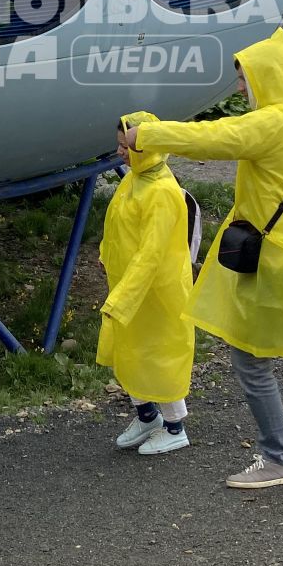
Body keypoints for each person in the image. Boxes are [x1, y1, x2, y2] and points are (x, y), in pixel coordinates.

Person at [119, 27, 283, 488]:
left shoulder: (271, 124)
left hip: (277, 258)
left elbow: (212, 138)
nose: (242, 88)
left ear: (267, 76)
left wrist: (144, 134)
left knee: (250, 358)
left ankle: (277, 460)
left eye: (246, 78)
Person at [97, 111, 197, 455]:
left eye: (127, 146)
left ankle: (174, 427)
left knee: (161, 355)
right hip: (130, 285)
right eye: (120, 146)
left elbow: (152, 254)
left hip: (157, 291)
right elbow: (118, 225)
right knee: (131, 353)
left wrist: (121, 298)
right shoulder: (137, 178)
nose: (122, 152)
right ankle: (146, 416)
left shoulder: (161, 191)